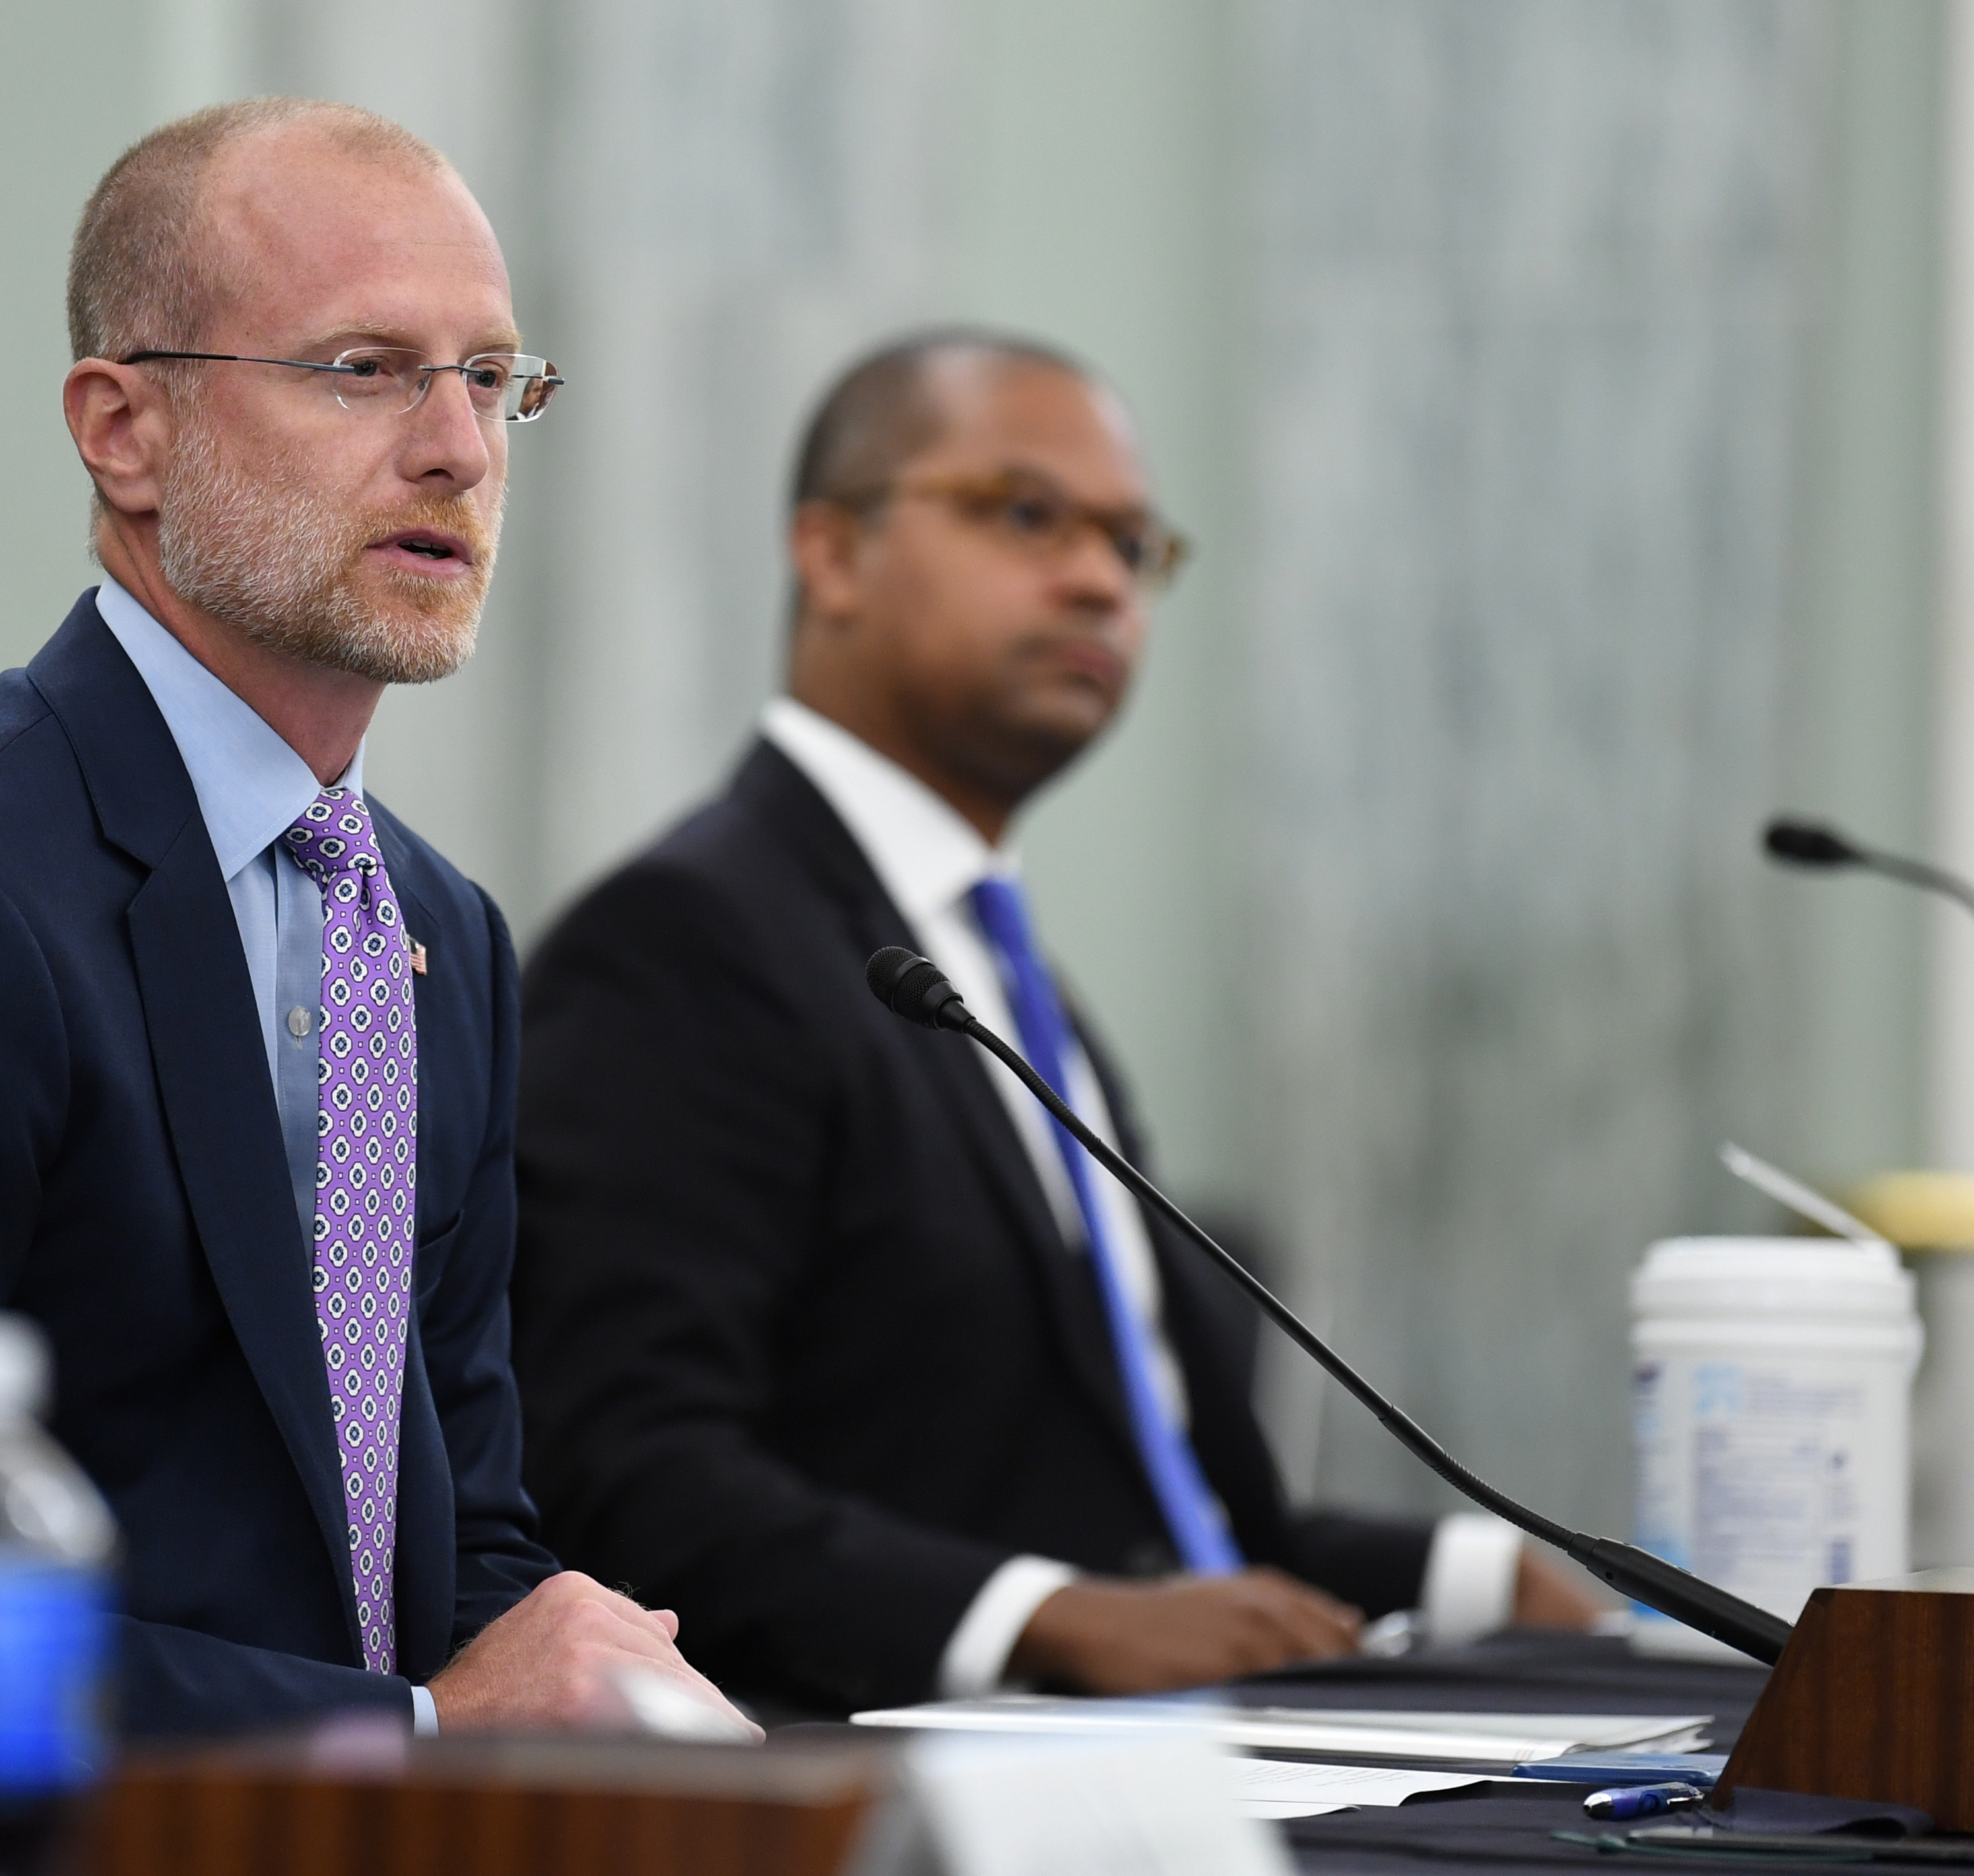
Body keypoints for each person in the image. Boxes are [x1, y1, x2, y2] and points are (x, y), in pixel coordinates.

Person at [0, 98, 752, 1765]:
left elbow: (455, 1536)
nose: (459, 451)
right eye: (362, 368)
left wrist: (586, 1688)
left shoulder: (429, 932)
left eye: (489, 378)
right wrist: (421, 1730)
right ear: (122, 430)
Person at [510, 331, 1600, 1718]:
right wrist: (1039, 1620)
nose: (1096, 578)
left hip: (1188, 1740)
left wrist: (1476, 1571)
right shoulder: (688, 939)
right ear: (830, 554)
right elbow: (627, 1472)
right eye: (1023, 515)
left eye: (1133, 545)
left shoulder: (993, 973)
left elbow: (1186, 1537)